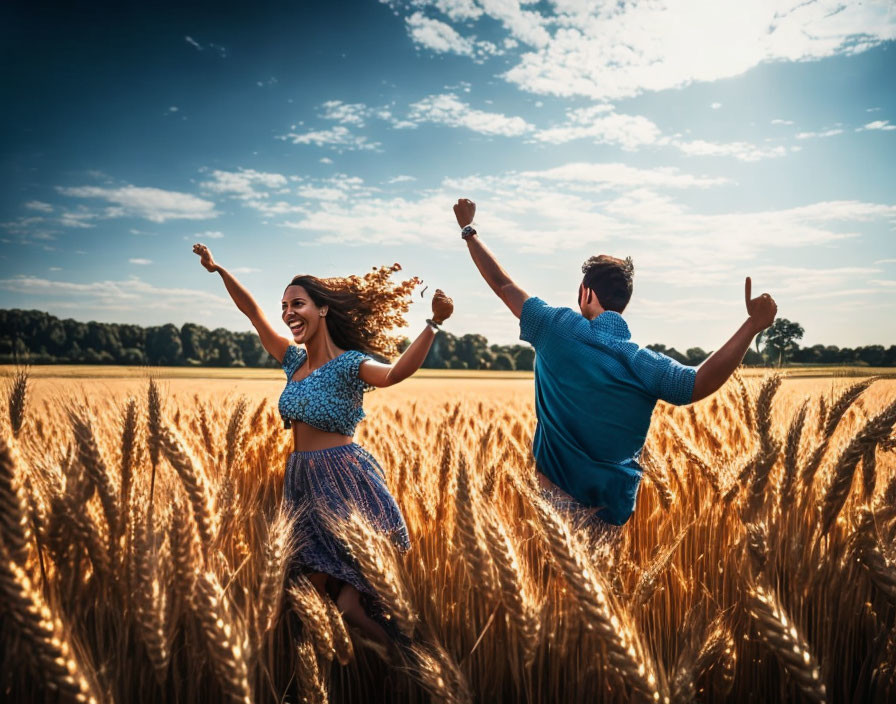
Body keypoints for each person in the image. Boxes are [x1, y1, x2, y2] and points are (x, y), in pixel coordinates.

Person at [451, 198, 777, 539]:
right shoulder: (643, 363)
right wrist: (751, 326)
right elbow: (698, 382)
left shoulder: (555, 328)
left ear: (585, 293)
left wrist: (468, 230)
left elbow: (503, 285)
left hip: (554, 503)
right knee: (601, 593)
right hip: (612, 517)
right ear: (625, 303)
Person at [192, 243, 453, 648]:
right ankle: (392, 662)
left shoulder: (351, 364)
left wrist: (433, 324)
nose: (288, 313)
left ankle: (411, 658)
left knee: (348, 606)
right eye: (285, 306)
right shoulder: (293, 362)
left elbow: (396, 373)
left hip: (343, 482)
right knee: (307, 597)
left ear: (322, 309)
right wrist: (217, 268)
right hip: (301, 484)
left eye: (297, 303)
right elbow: (252, 312)